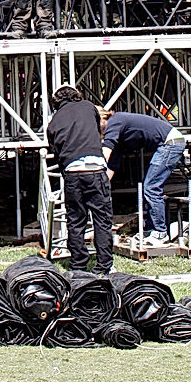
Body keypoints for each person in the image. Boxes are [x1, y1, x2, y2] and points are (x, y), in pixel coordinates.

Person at [47, 84, 114, 275]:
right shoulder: (89, 107)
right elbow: (96, 130)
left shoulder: (54, 121)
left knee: (75, 220)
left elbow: (56, 151)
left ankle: (77, 265)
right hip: (95, 168)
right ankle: (103, 266)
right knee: (102, 220)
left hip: (72, 172)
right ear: (77, 95)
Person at [98, 108, 185, 246]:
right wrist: (101, 184)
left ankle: (160, 232)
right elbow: (112, 164)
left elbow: (106, 152)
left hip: (170, 144)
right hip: (168, 143)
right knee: (149, 187)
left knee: (151, 187)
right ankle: (150, 229)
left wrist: (93, 172)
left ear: (102, 118)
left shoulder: (115, 121)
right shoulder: (118, 134)